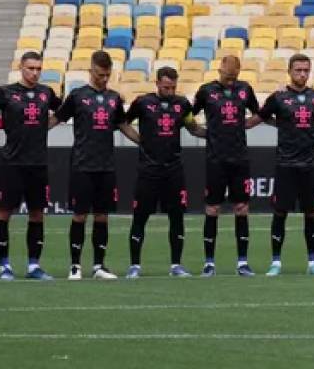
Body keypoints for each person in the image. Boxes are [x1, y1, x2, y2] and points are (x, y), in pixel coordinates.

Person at [0, 50, 63, 280]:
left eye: (38, 69)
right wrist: (6, 125)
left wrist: (45, 126)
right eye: (31, 68)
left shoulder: (46, 92)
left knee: (37, 214)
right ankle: (4, 266)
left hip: (38, 164)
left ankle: (33, 266)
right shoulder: (5, 92)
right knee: (4, 213)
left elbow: (63, 111)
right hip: (12, 162)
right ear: (21, 68)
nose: (35, 73)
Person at [119, 67, 198, 278]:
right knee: (140, 217)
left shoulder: (183, 104)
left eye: (173, 87)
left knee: (177, 217)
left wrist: (216, 134)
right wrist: (140, 140)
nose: (170, 91)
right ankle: (134, 266)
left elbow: (193, 127)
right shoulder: (142, 102)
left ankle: (176, 265)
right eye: (166, 87)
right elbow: (123, 122)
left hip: (174, 169)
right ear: (157, 84)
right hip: (149, 169)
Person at [55, 50, 127, 281]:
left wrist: (146, 142)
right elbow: (57, 118)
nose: (104, 79)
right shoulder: (77, 96)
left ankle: (99, 266)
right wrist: (29, 131)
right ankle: (75, 266)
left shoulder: (114, 98)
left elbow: (123, 125)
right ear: (91, 71)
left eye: (107, 75)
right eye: (99, 75)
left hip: (106, 165)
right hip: (82, 165)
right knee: (79, 215)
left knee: (102, 216)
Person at [191, 54, 260, 276]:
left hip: (239, 159)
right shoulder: (206, 91)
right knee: (213, 209)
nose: (231, 81)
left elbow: (259, 113)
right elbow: (188, 116)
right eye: (228, 77)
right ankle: (209, 263)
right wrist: (201, 132)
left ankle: (243, 262)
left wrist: (244, 125)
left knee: (242, 208)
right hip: (215, 159)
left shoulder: (245, 89)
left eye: (234, 77)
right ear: (220, 70)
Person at [259, 53, 314, 276]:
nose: (302, 74)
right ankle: (276, 262)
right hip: (286, 164)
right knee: (280, 213)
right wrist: (279, 123)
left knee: (312, 213)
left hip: (310, 164)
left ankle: (313, 263)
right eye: (298, 70)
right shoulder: (278, 97)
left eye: (306, 70)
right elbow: (261, 116)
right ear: (289, 71)